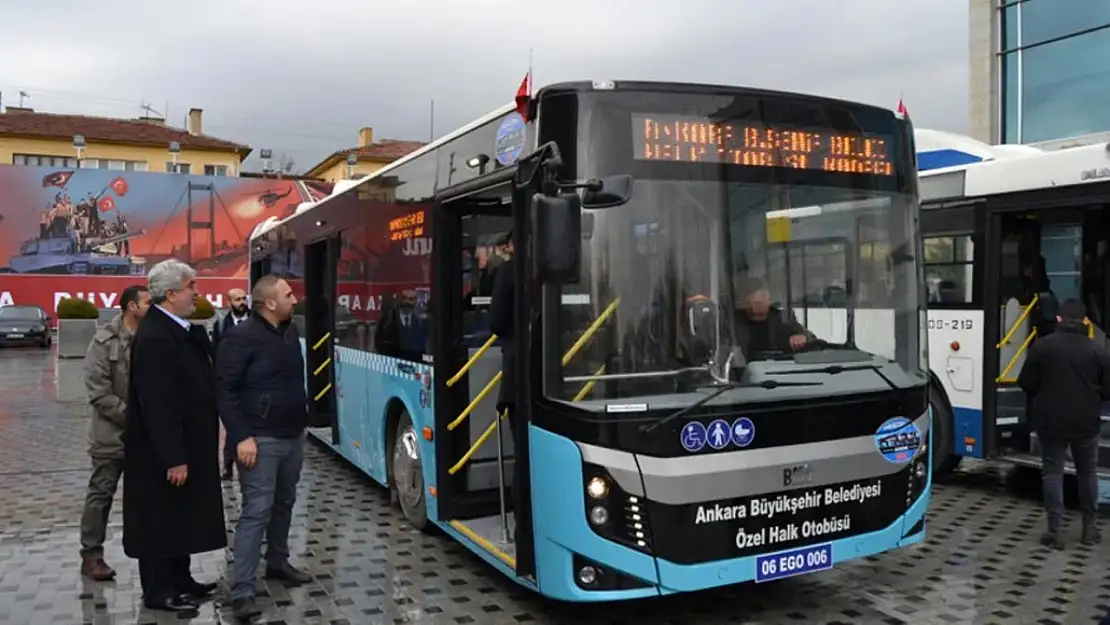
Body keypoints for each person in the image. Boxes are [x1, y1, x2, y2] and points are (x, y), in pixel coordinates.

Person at [122, 260, 225, 616]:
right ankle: (159, 590)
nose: (196, 292)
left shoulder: (175, 329)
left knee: (180, 517)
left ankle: (182, 580)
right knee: (159, 521)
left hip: (187, 444)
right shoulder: (154, 337)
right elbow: (158, 404)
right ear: (171, 294)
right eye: (190, 286)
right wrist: (173, 457)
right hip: (162, 456)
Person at [215, 275, 313, 622]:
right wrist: (241, 436)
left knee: (285, 502)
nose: (294, 298)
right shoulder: (240, 337)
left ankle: (277, 563)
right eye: (288, 294)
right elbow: (224, 391)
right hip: (259, 440)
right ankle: (242, 589)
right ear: (269, 303)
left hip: (292, 435)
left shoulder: (289, 331)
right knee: (256, 510)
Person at [1018, 298, 1110, 549]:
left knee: (1053, 472)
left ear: (1058, 319)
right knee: (1087, 472)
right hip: (1086, 423)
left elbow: (1026, 383)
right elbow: (1107, 391)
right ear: (1086, 321)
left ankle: (1055, 531)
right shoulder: (1097, 350)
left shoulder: (1042, 347)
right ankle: (1089, 529)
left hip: (1051, 421)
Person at [79, 284, 151, 581]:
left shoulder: (151, 338)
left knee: (149, 498)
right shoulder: (103, 341)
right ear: (132, 307)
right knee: (101, 495)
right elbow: (99, 393)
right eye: (147, 302)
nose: (152, 307)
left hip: (146, 437)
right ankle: (91, 556)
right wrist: (135, 418)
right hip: (112, 437)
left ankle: (154, 555)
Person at [211, 287, 252, 480]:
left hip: (252, 383)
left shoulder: (256, 322)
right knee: (231, 424)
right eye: (237, 299)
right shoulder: (221, 325)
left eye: (244, 298)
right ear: (229, 303)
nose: (242, 302)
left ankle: (248, 465)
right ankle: (228, 465)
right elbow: (216, 354)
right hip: (230, 384)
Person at [729, 277, 811, 359]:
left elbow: (810, 338)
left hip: (776, 368)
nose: (753, 309)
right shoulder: (733, 323)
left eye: (758, 304)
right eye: (748, 304)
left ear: (769, 301)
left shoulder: (782, 319)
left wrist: (801, 338)